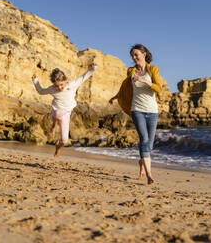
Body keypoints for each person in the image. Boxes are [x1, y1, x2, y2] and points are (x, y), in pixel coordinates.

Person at [109, 44, 163, 185]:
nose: (133, 58)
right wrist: (116, 96)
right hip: (137, 109)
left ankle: (142, 163)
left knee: (149, 146)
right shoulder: (131, 71)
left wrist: (144, 81)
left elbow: (158, 88)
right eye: (132, 55)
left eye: (136, 55)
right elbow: (125, 87)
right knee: (144, 139)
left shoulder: (153, 69)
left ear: (144, 54)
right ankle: (149, 175)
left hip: (152, 111)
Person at [32, 63, 97, 157]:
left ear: (65, 81)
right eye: (56, 86)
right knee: (57, 113)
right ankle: (54, 126)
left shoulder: (72, 85)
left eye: (61, 85)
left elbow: (84, 77)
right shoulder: (52, 89)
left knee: (64, 140)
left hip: (66, 113)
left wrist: (93, 68)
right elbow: (41, 91)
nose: (59, 88)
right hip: (56, 110)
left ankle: (58, 148)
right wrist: (35, 81)